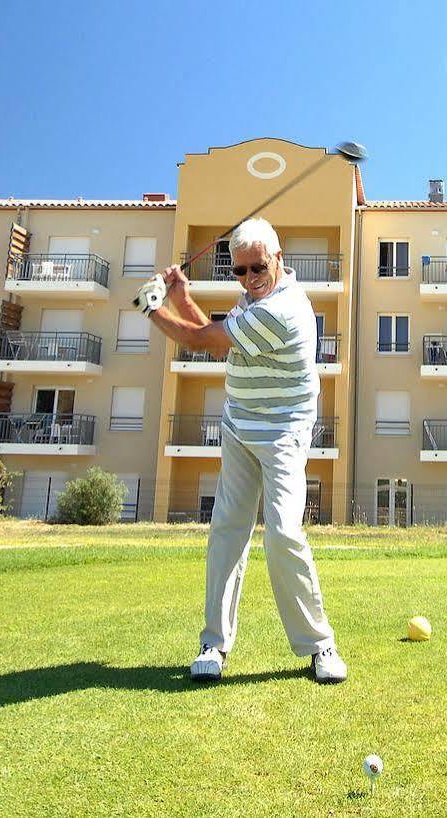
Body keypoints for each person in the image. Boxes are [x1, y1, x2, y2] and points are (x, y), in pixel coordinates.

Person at [139, 218, 345, 684]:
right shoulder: (253, 299)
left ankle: (320, 645)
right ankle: (214, 643)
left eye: (258, 268)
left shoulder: (282, 310)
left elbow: (198, 340)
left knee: (283, 533)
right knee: (228, 530)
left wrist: (150, 308)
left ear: (279, 259)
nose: (250, 279)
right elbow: (218, 343)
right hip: (238, 426)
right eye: (240, 271)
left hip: (283, 433)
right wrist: (180, 297)